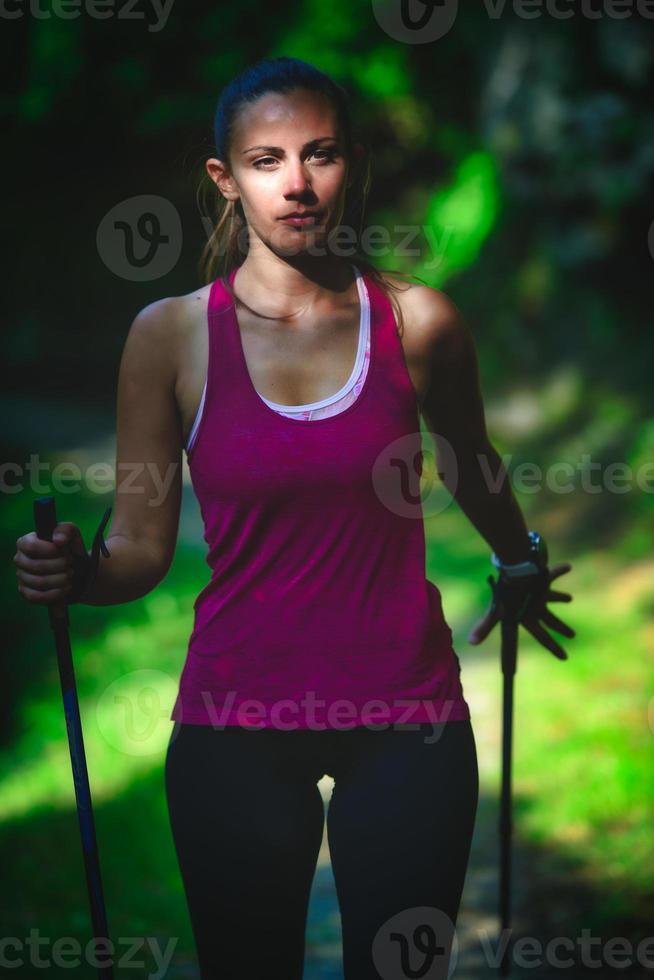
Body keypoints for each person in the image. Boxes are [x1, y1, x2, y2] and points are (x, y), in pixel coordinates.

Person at [14, 56, 574, 980]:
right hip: (235, 723)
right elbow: (141, 551)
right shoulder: (171, 336)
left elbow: (475, 469)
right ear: (224, 180)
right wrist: (75, 572)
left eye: (319, 154)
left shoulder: (417, 322)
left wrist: (520, 561)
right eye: (267, 160)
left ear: (351, 162)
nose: (298, 183)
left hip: (406, 719)